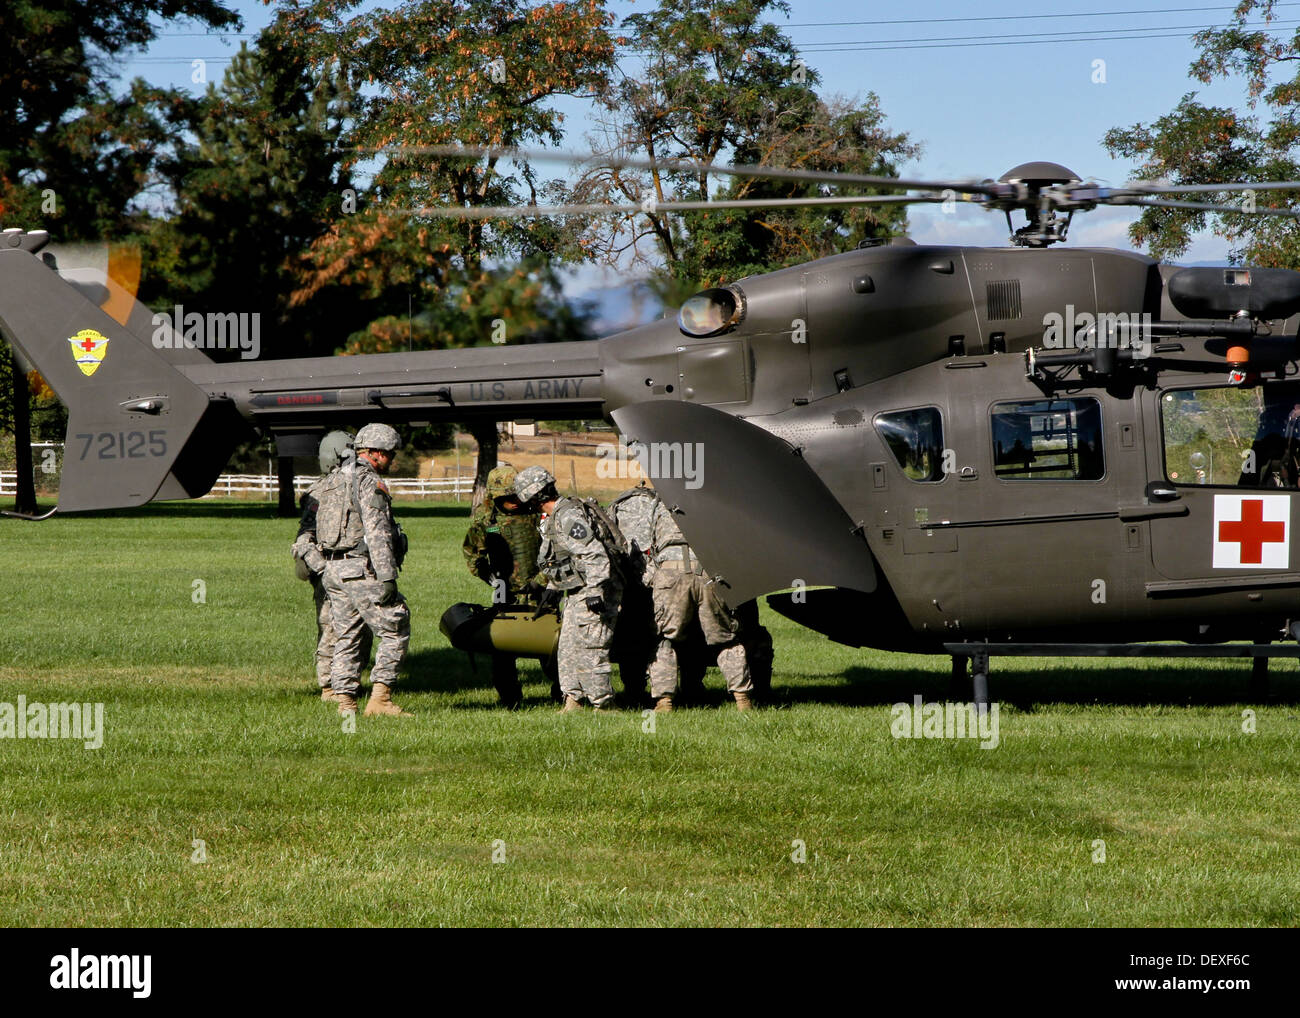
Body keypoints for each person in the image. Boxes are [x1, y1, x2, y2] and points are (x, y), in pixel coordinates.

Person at [317, 422, 411, 717]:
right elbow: (377, 531)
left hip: (333, 569)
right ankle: (380, 700)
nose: (392, 460)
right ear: (376, 453)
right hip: (360, 568)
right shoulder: (369, 481)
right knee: (396, 626)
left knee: (347, 634)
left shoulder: (334, 478)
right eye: (390, 455)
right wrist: (387, 577)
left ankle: (345, 703)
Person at [514, 465, 623, 712]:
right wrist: (553, 586)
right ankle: (573, 700)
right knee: (569, 646)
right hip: (577, 589)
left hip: (596, 588)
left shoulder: (568, 516)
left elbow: (595, 554)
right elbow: (566, 558)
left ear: (534, 495)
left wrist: (596, 591)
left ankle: (604, 704)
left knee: (591, 646)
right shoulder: (557, 516)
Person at [643, 495, 755, 711]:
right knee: (725, 638)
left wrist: (652, 579)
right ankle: (742, 698)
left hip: (671, 572)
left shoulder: (661, 501)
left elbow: (648, 546)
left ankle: (664, 701)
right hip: (710, 571)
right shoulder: (717, 499)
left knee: (664, 639)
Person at [462, 465, 559, 707]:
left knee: (552, 647)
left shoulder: (538, 512)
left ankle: (563, 694)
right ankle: (510, 699)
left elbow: (557, 551)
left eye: (517, 495)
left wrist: (543, 581)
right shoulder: (486, 520)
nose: (514, 502)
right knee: (502, 650)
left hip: (542, 592)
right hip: (506, 594)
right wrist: (493, 580)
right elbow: (473, 555)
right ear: (495, 496)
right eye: (507, 498)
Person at [292, 430, 371, 702]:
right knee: (331, 627)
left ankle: (350, 682)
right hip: (329, 571)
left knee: (360, 628)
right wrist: (323, 569)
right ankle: (329, 686)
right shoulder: (318, 493)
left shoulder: (358, 483)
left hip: (358, 570)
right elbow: (305, 536)